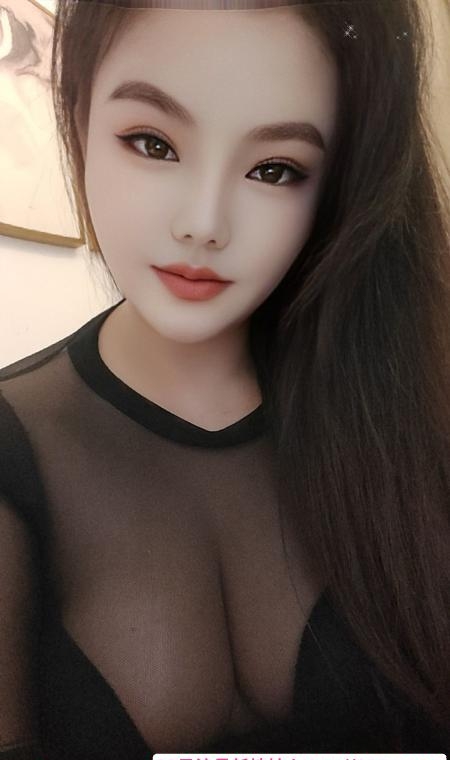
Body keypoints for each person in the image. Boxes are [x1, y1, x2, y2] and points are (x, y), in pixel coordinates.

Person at [0, 1, 449, 757]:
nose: (204, 224)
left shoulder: (405, 416)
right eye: (153, 143)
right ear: (79, 119)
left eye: (275, 170)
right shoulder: (17, 453)